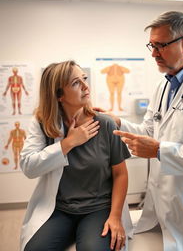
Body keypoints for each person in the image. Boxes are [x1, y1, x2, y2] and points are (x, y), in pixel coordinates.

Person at [98, 11, 183, 250]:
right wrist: (117, 122)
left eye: (160, 45)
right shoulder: (164, 84)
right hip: (165, 209)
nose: (153, 53)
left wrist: (159, 150)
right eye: (151, 46)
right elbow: (150, 130)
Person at [20, 60, 132, 251]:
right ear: (59, 95)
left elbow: (120, 174)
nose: (86, 86)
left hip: (98, 208)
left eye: (84, 79)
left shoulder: (105, 124)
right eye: (75, 83)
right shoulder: (43, 124)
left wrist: (115, 216)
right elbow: (29, 167)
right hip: (59, 209)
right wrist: (69, 142)